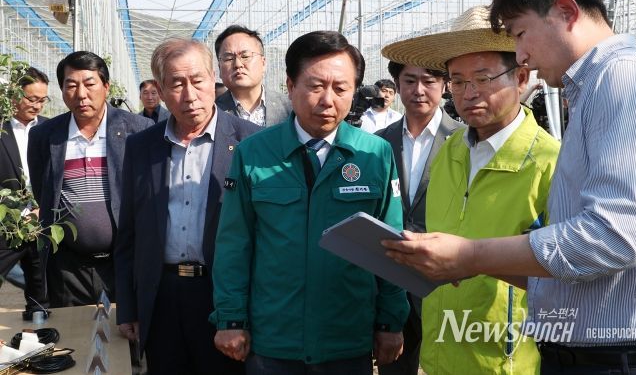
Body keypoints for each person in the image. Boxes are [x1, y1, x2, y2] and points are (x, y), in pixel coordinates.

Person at [384, 0, 636, 374]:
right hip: (593, 354)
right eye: (458, 81)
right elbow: (578, 261)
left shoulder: (624, 79)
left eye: (520, 33)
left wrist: (471, 255)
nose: (522, 55)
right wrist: (466, 261)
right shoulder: (594, 90)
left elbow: (613, 237)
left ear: (566, 12)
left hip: (627, 356)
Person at [210, 30, 409, 375]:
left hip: (347, 337)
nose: (328, 100)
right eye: (315, 86)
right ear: (290, 85)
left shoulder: (375, 154)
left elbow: (390, 244)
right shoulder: (254, 153)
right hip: (274, 339)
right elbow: (234, 243)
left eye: (341, 88)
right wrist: (230, 318)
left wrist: (391, 321)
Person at [382, 5, 559, 374]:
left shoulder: (549, 164)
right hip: (440, 354)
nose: (469, 93)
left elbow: (567, 273)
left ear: (521, 78)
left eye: (483, 78)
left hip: (507, 360)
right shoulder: (450, 153)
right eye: (458, 81)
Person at [115, 38, 260, 375]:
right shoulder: (141, 146)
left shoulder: (251, 142)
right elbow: (129, 233)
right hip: (161, 295)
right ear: (160, 90)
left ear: (214, 79)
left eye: (197, 80)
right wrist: (128, 307)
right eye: (177, 84)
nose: (190, 94)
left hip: (223, 296)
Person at [28, 51, 153, 308]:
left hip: (124, 261)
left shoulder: (138, 131)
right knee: (72, 330)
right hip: (68, 268)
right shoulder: (45, 135)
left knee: (126, 328)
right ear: (62, 90)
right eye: (71, 85)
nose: (81, 94)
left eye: (89, 83)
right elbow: (43, 192)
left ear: (106, 86)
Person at [374, 61, 461, 375]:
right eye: (409, 81)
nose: (418, 90)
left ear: (444, 85)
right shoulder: (379, 143)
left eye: (428, 81)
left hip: (446, 281)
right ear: (397, 85)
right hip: (393, 278)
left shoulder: (464, 140)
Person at [0, 67, 50, 318]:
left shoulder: (51, 130)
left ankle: (40, 332)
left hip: (42, 223)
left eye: (42, 100)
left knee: (41, 293)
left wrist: (44, 208)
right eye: (32, 99)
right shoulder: (1, 129)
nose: (37, 105)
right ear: (15, 95)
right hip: (7, 225)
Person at [214, 24, 291, 127]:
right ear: (219, 68)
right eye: (229, 58)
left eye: (245, 56)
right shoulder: (212, 113)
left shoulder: (291, 108)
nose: (238, 64)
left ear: (263, 63)